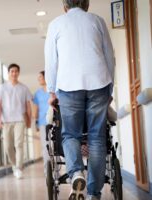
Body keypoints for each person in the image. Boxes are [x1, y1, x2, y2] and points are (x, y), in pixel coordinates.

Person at [44, 0, 115, 199]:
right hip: (99, 82)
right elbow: (110, 56)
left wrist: (51, 91)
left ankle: (76, 172)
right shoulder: (98, 21)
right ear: (87, 4)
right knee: (97, 138)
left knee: (70, 135)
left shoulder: (56, 24)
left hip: (68, 85)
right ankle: (94, 194)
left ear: (65, 6)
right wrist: (110, 86)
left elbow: (51, 61)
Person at [0, 63, 32, 179]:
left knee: (19, 144)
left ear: (18, 73)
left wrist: (29, 120)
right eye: (12, 71)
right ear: (9, 73)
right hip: (6, 121)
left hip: (20, 120)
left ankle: (19, 168)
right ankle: (15, 165)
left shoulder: (24, 88)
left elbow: (28, 105)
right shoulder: (2, 87)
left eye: (16, 71)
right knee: (7, 146)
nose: (14, 73)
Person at [33, 71, 50, 176]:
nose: (39, 79)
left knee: (57, 146)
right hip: (43, 122)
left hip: (55, 121)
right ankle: (47, 170)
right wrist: (36, 123)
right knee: (45, 146)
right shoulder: (37, 93)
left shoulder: (54, 90)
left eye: (40, 77)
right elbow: (36, 109)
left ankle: (57, 167)